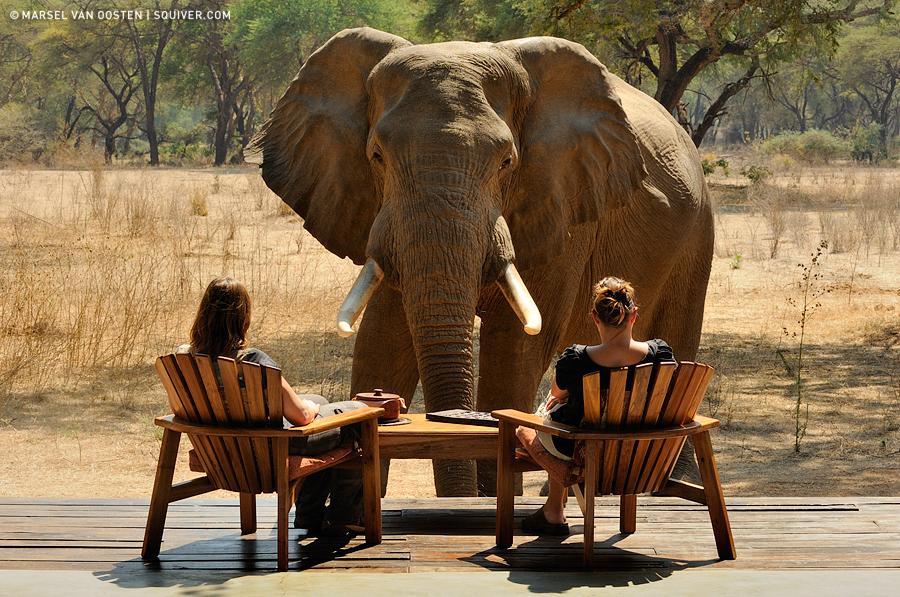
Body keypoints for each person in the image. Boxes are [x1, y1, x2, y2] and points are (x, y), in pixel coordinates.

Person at [177, 276, 366, 537]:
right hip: (269, 451)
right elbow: (300, 417)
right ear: (243, 317)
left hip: (219, 449)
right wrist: (309, 408)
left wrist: (313, 405)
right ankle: (342, 515)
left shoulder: (185, 359)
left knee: (322, 403)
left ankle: (310, 515)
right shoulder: (253, 361)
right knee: (357, 415)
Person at [520, 277, 675, 536]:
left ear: (594, 317)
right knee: (559, 416)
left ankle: (560, 487)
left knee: (526, 427)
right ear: (633, 316)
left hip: (581, 451)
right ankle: (553, 509)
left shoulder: (576, 359)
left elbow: (558, 392)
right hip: (639, 453)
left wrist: (562, 397)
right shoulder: (660, 354)